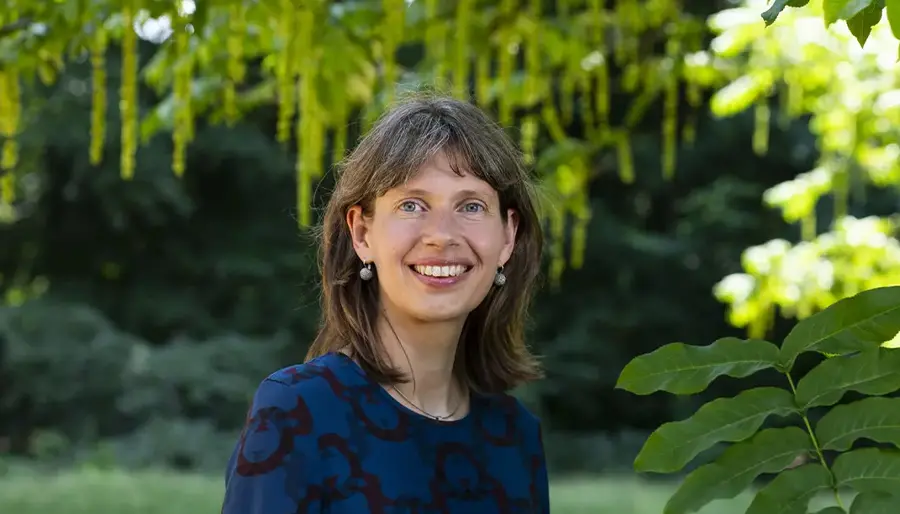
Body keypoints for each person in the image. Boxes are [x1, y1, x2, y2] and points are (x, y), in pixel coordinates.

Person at [220, 93, 550, 513]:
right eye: (411, 205)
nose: (441, 235)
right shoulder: (297, 412)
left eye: (471, 206)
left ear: (507, 235)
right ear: (362, 234)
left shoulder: (516, 437)